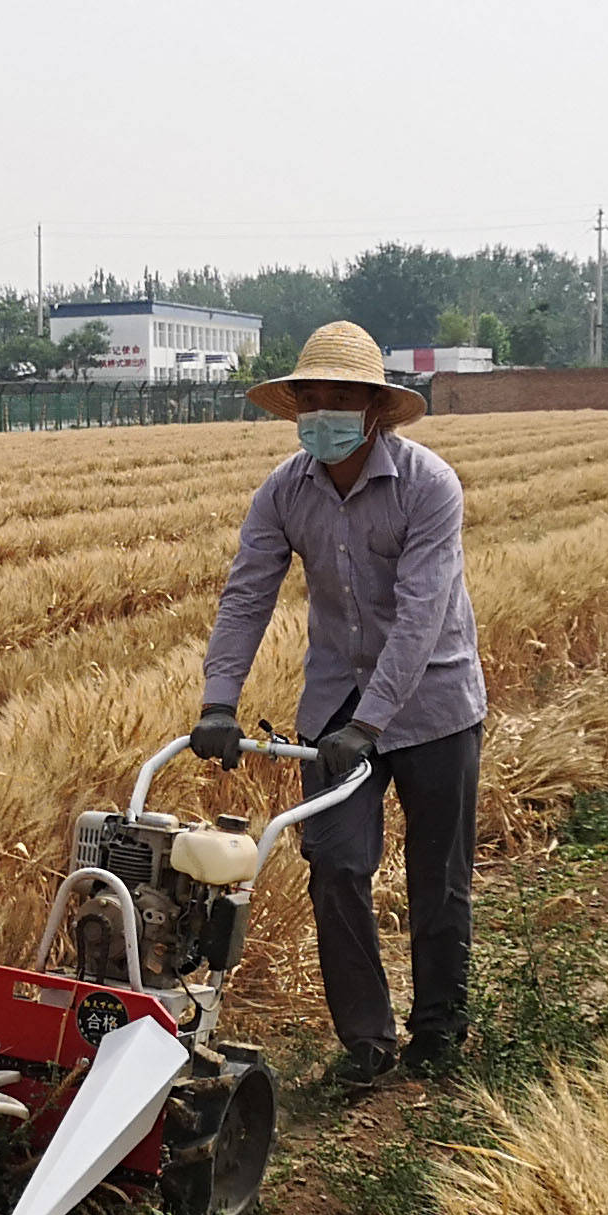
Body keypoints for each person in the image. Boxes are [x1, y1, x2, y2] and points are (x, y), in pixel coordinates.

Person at [190, 320, 483, 1088]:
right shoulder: (284, 491)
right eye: (309, 398)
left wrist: (371, 722)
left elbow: (422, 616)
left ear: (375, 408)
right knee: (335, 865)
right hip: (333, 704)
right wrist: (219, 703)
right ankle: (366, 1039)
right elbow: (247, 593)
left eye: (339, 397)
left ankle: (440, 1028)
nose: (321, 411)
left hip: (434, 702)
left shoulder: (428, 486)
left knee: (437, 870)